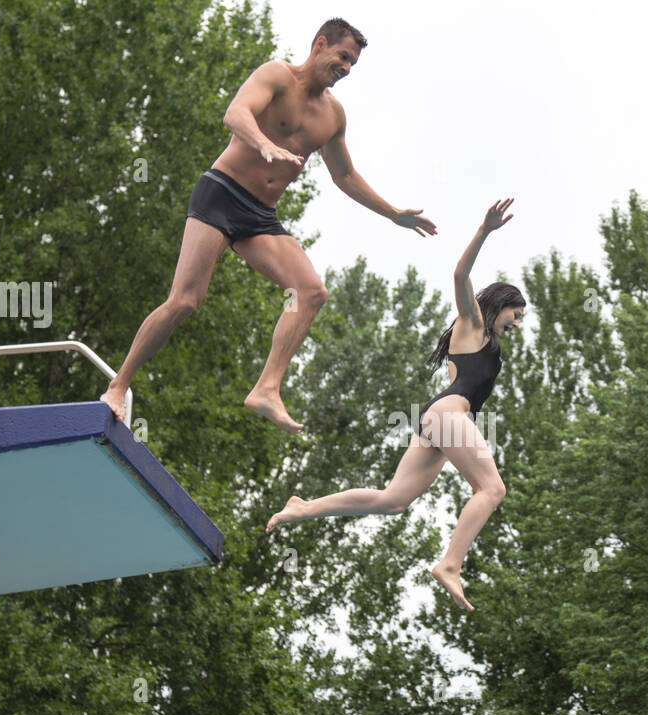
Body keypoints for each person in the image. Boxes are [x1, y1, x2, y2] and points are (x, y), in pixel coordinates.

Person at [99, 18, 436, 433]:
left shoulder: (333, 116)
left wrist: (394, 213)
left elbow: (345, 175)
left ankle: (267, 389)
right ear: (320, 44)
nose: (346, 69)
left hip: (260, 217)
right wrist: (263, 144)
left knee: (311, 291)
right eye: (343, 57)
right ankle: (119, 384)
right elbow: (235, 113)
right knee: (185, 301)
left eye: (352, 65)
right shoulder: (277, 75)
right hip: (221, 194)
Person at [267, 199, 523, 611]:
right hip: (447, 416)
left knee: (393, 501)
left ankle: (304, 507)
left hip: (439, 421)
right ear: (499, 305)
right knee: (491, 488)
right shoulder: (473, 321)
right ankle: (450, 565)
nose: (516, 324)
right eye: (515, 314)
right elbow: (460, 273)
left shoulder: (481, 339)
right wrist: (485, 231)